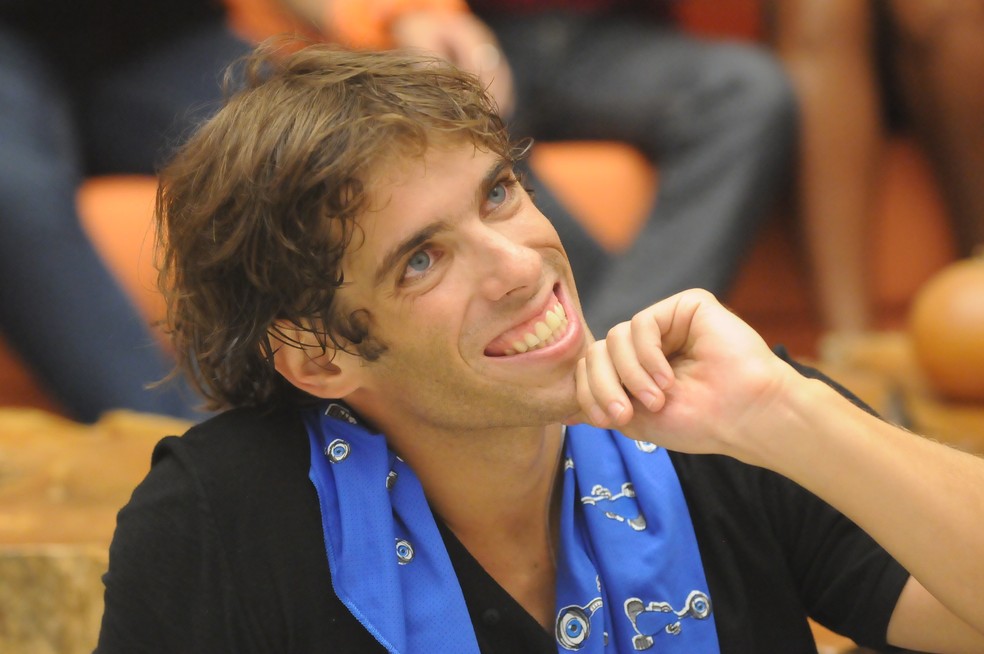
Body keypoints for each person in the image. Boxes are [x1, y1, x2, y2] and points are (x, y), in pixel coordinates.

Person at [96, 44, 984, 653]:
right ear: (322, 357)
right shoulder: (218, 526)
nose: (521, 266)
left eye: (498, 194)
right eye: (422, 259)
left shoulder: (719, 424)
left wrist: (789, 413)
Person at [275, 0, 799, 336]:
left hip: (612, 37)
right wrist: (400, 12)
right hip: (453, 31)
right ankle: (616, 355)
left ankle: (619, 351)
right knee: (456, 138)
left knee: (747, 90)